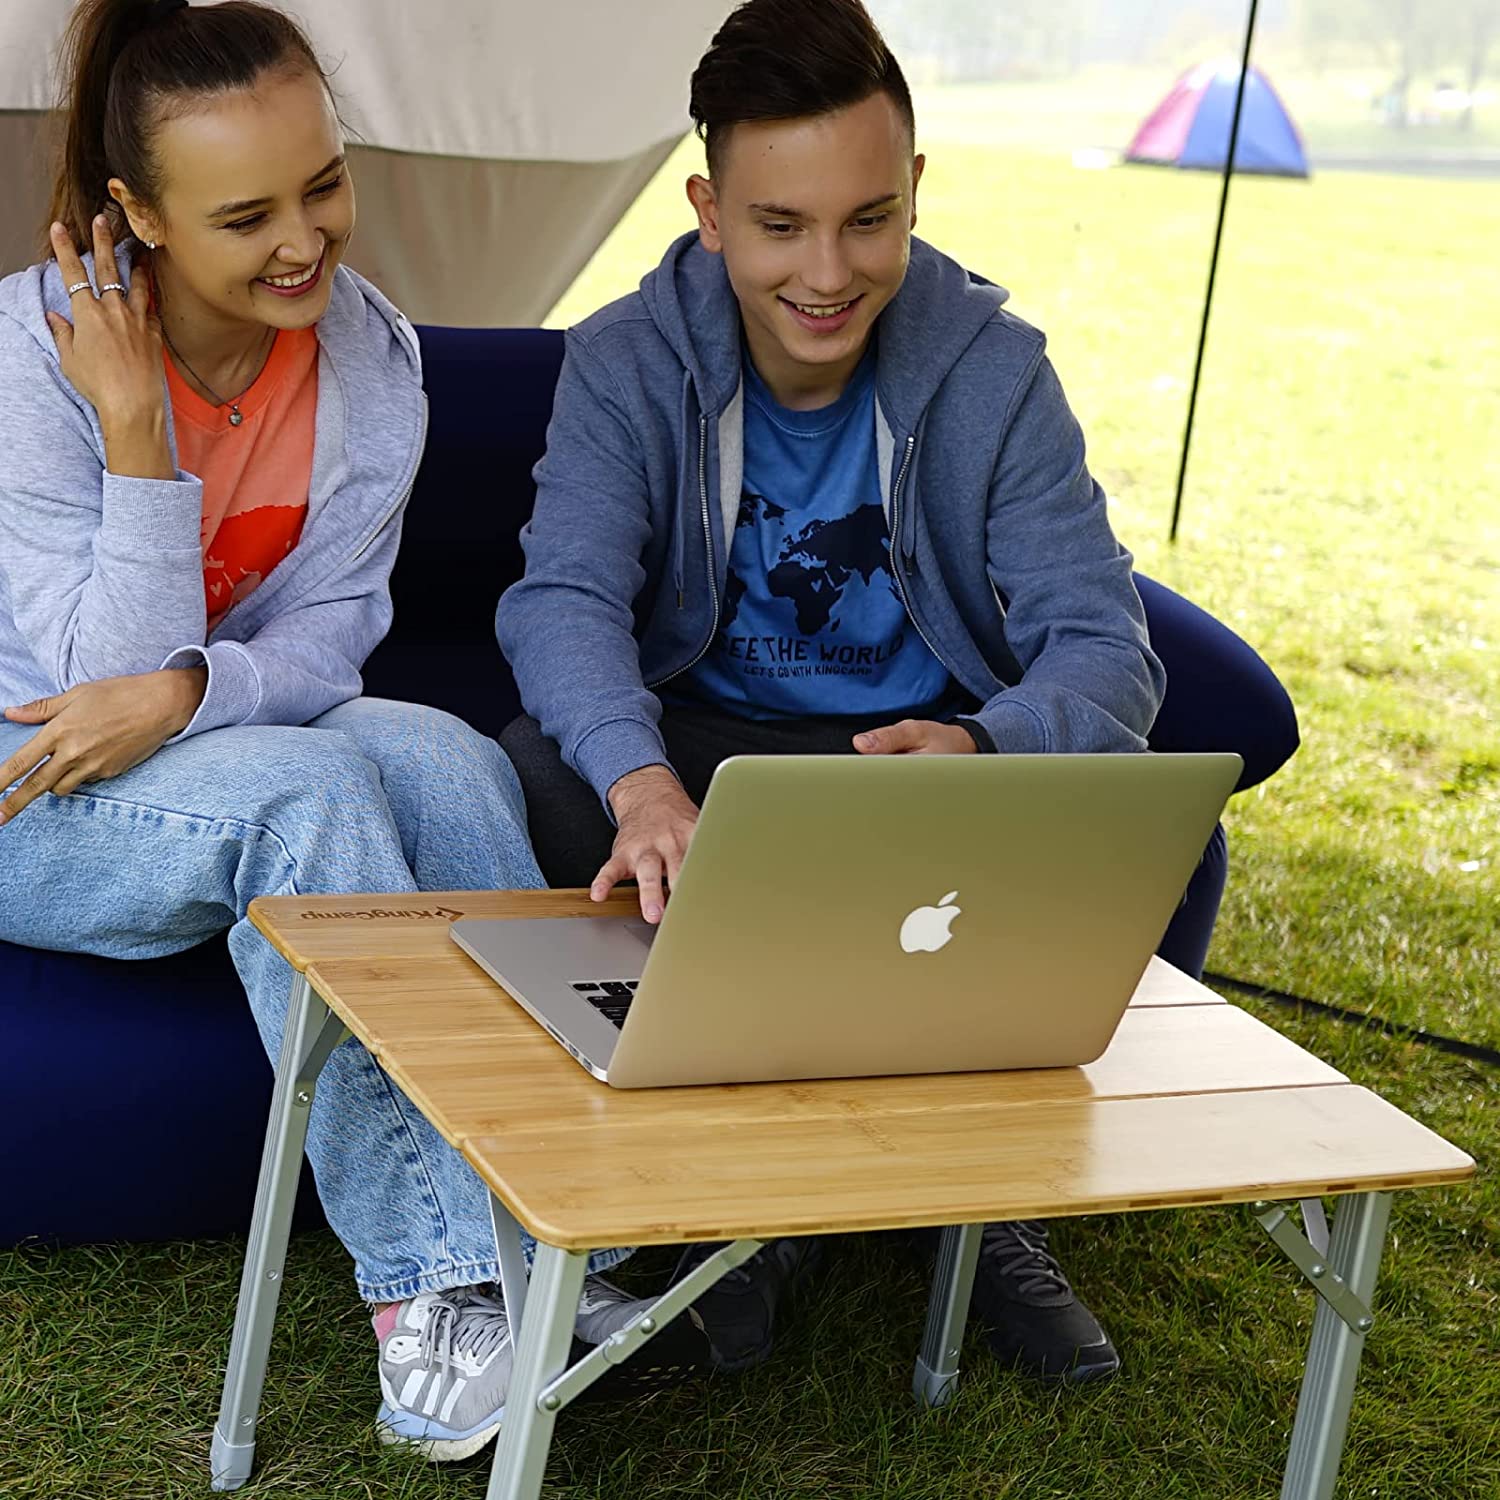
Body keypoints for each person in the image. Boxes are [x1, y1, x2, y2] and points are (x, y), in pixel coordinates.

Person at [497, 0, 1268, 1385]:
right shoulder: (626, 359)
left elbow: (1106, 639)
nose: (829, 272)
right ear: (710, 211)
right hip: (712, 753)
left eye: (869, 218)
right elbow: (561, 600)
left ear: (916, 193)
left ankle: (975, 1207)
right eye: (780, 225)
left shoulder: (993, 368)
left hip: (917, 756)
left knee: (1165, 829)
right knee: (541, 773)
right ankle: (750, 1205)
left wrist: (991, 746)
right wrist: (641, 778)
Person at [0, 0, 676, 1463]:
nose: (305, 239)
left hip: (200, 738)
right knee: (305, 792)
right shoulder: (30, 362)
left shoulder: (370, 355)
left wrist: (198, 689)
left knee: (447, 755)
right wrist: (134, 433)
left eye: (325, 185)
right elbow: (90, 697)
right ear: (140, 216)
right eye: (247, 215)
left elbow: (331, 635)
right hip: (29, 789)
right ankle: (433, 1312)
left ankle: (549, 1226)